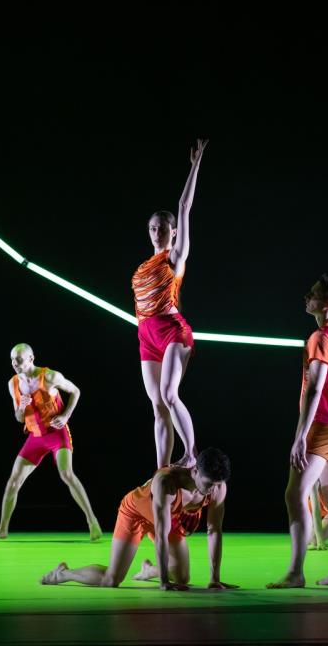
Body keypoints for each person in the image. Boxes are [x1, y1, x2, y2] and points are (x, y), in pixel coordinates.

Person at [268, 275, 328, 588]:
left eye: (314, 294)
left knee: (295, 494)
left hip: (323, 427)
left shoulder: (321, 337)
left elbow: (315, 388)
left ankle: (296, 572)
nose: (307, 297)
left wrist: (300, 437)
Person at [40, 448, 234, 590]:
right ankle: (62, 573)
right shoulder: (167, 483)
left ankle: (148, 570)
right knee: (111, 580)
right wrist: (164, 582)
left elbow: (214, 530)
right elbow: (161, 534)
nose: (212, 489)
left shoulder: (218, 488)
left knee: (182, 578)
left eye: (216, 484)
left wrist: (214, 579)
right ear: (195, 471)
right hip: (135, 514)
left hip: (168, 518)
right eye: (208, 483)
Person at [132, 139, 208, 468]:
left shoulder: (173, 259)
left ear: (173, 232)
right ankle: (162, 469)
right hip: (146, 334)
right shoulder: (142, 267)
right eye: (152, 228)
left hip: (172, 331)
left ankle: (191, 453)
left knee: (169, 394)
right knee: (157, 407)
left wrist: (195, 165)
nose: (156, 232)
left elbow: (184, 206)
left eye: (162, 228)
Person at [0, 343, 101, 542]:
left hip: (57, 433)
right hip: (35, 436)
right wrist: (21, 408)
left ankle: (92, 522)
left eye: (19, 359)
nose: (15, 363)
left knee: (66, 474)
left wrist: (65, 415)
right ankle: (2, 529)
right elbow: (19, 418)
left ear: (31, 358)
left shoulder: (49, 376)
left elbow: (75, 391)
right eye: (12, 360)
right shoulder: (13, 383)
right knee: (13, 481)